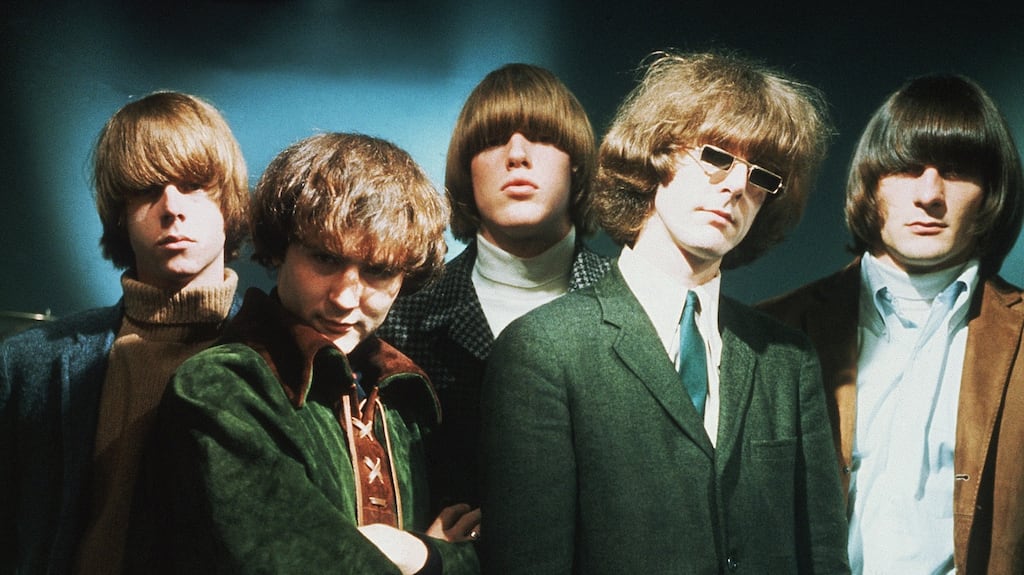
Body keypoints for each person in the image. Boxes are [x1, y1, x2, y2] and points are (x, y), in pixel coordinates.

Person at [480, 51, 851, 574]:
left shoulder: (787, 360)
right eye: (717, 156)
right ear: (656, 154)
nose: (737, 186)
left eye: (762, 175)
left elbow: (824, 558)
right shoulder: (544, 349)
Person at [127, 133, 480, 574]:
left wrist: (414, 553)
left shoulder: (403, 398)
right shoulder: (221, 386)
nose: (347, 297)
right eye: (325, 259)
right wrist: (433, 558)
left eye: (378, 270)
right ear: (280, 251)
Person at [758, 74, 1024, 574]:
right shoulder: (774, 331)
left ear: (991, 193)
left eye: (958, 170)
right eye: (905, 169)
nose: (930, 194)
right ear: (870, 184)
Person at [0, 91, 249, 575]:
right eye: (146, 189)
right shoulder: (28, 364)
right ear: (119, 213)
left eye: (195, 184)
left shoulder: (282, 356)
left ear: (230, 202)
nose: (171, 207)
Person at [377, 63, 611, 510]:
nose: (517, 155)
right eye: (491, 140)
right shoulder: (399, 319)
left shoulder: (637, 307)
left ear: (577, 166)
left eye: (541, 136)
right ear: (466, 171)